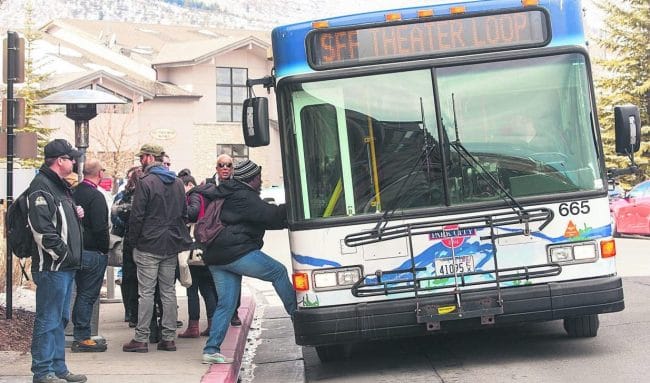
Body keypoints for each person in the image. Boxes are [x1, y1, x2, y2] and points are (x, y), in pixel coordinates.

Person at [200, 159, 297, 364]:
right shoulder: (243, 195)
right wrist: (298, 207)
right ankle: (298, 318)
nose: (261, 181)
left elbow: (259, 219)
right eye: (259, 177)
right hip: (234, 252)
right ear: (252, 179)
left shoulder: (229, 191)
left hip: (216, 255)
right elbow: (269, 216)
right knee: (278, 272)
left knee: (226, 304)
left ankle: (211, 349)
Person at [27, 138, 87, 383]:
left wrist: (76, 214)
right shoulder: (42, 186)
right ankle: (43, 371)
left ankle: (58, 367)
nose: (74, 161)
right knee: (48, 318)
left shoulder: (60, 187)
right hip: (53, 267)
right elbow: (41, 229)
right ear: (60, 161)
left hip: (65, 267)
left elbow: (58, 223)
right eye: (70, 158)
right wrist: (63, 254)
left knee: (60, 319)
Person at [123, 144, 192, 353]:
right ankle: (168, 338)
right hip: (170, 244)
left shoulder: (146, 182)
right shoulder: (178, 183)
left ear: (150, 158)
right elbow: (184, 214)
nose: (141, 161)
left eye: (142, 157)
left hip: (148, 244)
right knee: (168, 292)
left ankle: (141, 338)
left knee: (146, 293)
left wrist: (133, 242)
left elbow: (137, 216)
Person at [70, 159, 110, 353]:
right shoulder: (96, 197)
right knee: (87, 295)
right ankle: (82, 336)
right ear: (99, 174)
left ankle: (77, 333)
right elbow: (101, 227)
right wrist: (104, 249)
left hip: (73, 251)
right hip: (93, 252)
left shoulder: (72, 193)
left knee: (76, 293)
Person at [178, 172, 218, 338]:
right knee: (207, 287)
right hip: (208, 245)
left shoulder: (194, 195)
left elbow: (193, 214)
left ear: (188, 185)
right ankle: (212, 324)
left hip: (194, 247)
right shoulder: (211, 195)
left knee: (192, 289)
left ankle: (193, 326)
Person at [205, 154, 242, 326]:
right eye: (221, 165)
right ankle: (219, 315)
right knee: (215, 280)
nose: (225, 168)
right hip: (214, 237)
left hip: (233, 237)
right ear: (216, 168)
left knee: (236, 276)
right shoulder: (209, 186)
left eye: (228, 165)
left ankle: (234, 312)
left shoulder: (237, 186)